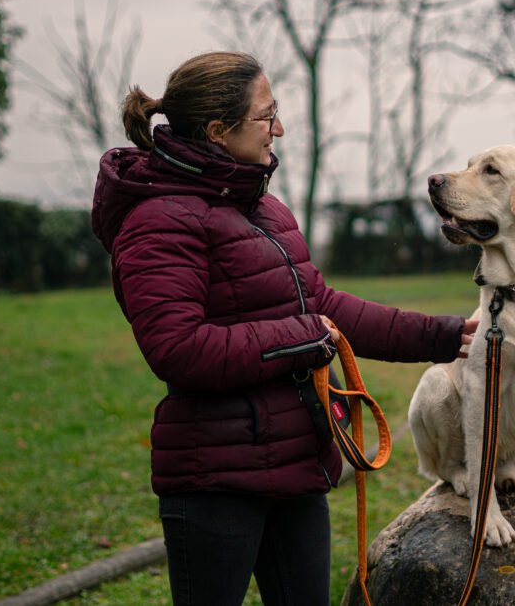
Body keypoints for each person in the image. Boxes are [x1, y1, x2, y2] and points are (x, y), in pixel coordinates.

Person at [91, 51, 477, 606]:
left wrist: (442, 336)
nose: (280, 129)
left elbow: (321, 305)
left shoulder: (264, 210)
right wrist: (302, 337)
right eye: (265, 116)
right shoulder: (157, 221)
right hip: (215, 480)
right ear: (219, 131)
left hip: (297, 467)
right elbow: (177, 349)